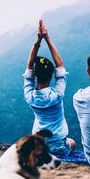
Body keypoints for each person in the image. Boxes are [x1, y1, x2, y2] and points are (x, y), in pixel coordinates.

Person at [23, 19, 76, 156]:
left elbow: (29, 67)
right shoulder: (57, 96)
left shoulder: (30, 96)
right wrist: (47, 38)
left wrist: (38, 41)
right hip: (58, 146)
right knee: (72, 142)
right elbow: (60, 64)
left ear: (35, 75)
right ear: (52, 75)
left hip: (39, 147)